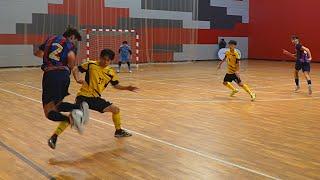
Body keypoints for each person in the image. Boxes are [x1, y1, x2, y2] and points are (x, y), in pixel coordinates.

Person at [47, 49, 138, 149]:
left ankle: (118, 131)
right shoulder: (91, 65)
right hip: (83, 96)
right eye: (103, 59)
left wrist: (127, 88)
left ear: (111, 61)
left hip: (95, 98)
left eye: (108, 60)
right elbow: (76, 69)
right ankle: (54, 136)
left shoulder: (111, 72)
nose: (105, 62)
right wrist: (77, 79)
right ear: (100, 57)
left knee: (115, 109)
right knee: (73, 117)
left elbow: (116, 85)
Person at [34, 27, 89, 149]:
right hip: (64, 76)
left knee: (49, 112)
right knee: (58, 105)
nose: (74, 42)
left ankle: (73, 118)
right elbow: (71, 58)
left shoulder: (51, 38)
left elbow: (38, 53)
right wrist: (70, 67)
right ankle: (79, 107)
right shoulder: (69, 44)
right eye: (75, 40)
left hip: (51, 74)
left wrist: (49, 58)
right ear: (72, 37)